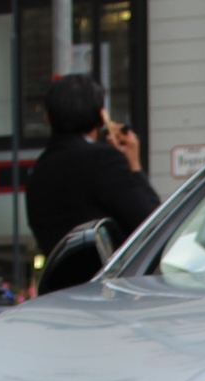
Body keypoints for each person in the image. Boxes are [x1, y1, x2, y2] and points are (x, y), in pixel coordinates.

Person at [24, 73, 160, 263]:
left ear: (48, 118)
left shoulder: (37, 173)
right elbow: (153, 224)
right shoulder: (103, 160)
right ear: (101, 116)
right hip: (108, 286)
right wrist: (134, 166)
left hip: (62, 288)